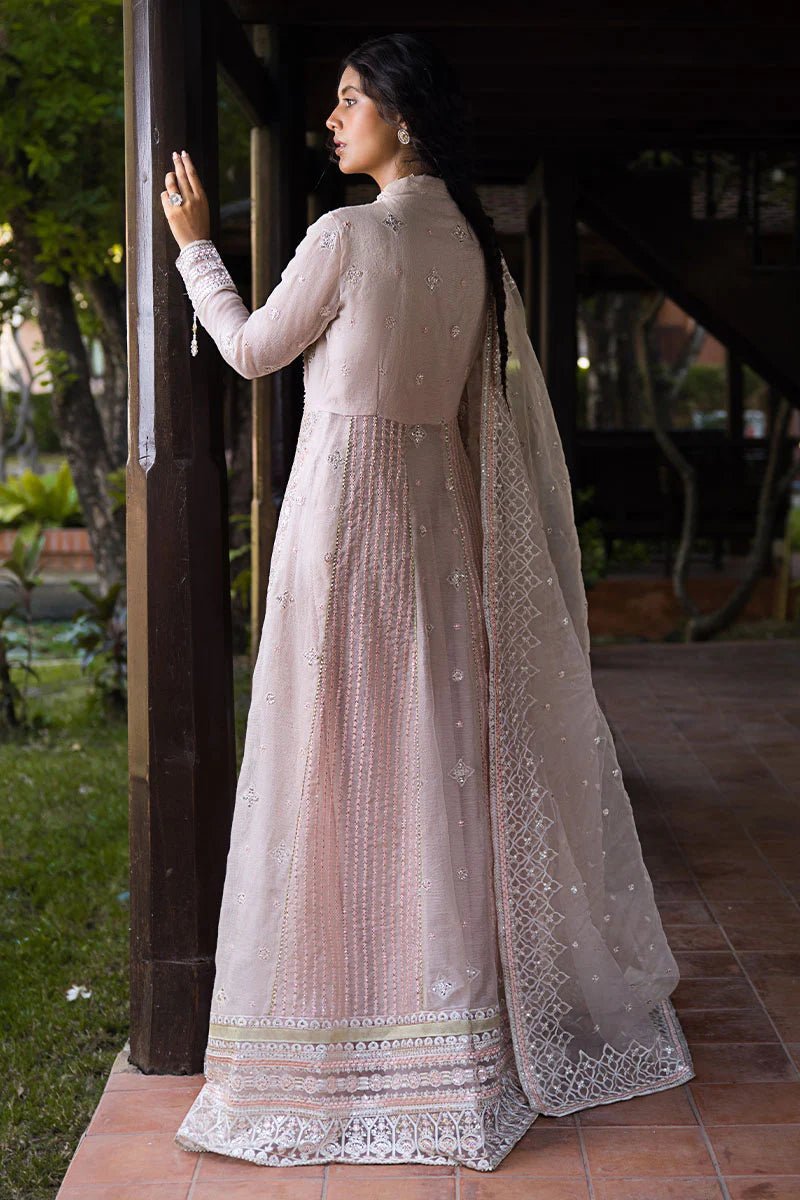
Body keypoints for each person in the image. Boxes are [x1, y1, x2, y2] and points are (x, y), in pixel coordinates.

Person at [161, 33, 693, 1173]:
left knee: (329, 768)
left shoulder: (348, 236)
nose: (331, 117)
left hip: (345, 534)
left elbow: (253, 350)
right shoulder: (476, 255)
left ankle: (327, 1036)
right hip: (434, 539)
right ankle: (442, 1046)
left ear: (400, 115)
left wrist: (197, 251)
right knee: (424, 773)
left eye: (349, 100)